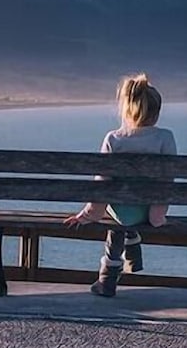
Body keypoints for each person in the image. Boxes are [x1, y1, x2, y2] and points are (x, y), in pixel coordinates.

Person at [64, 73, 177, 297]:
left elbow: (102, 187)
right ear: (156, 113)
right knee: (133, 200)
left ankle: (107, 279)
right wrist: (157, 215)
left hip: (121, 211)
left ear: (127, 109)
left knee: (116, 213)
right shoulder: (165, 138)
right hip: (149, 212)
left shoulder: (113, 139)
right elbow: (167, 181)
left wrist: (86, 215)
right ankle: (132, 245)